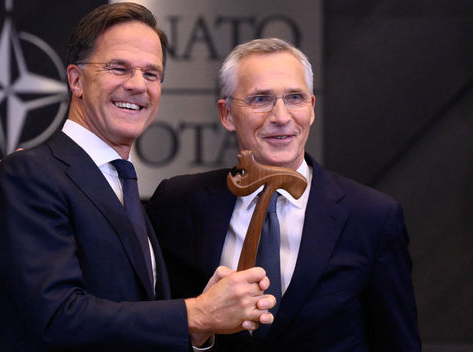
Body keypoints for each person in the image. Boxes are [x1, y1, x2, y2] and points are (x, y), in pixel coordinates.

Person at [0, 3, 276, 351]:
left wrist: (197, 332)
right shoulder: (27, 176)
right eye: (119, 68)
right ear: (76, 80)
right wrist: (196, 313)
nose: (138, 85)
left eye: (152, 74)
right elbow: (55, 318)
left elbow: (135, 321)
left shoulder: (124, 186)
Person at [147, 38, 422, 351]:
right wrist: (199, 334)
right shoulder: (178, 202)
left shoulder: (372, 216)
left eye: (295, 97)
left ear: (312, 109)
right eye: (260, 99)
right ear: (226, 114)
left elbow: (398, 343)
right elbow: (150, 328)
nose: (281, 116)